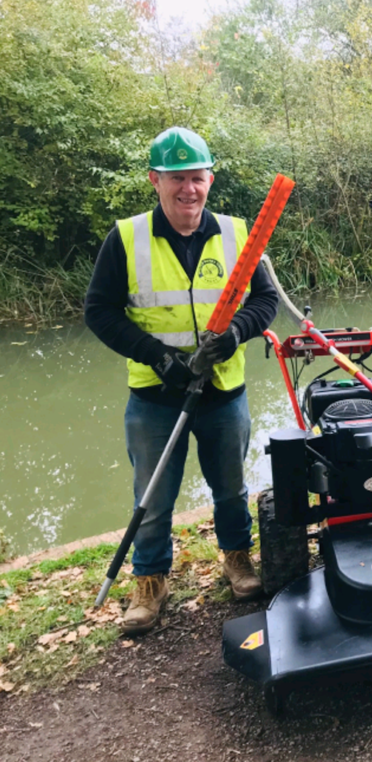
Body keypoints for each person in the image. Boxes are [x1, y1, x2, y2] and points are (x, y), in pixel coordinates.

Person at [84, 127, 278, 635]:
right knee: (152, 494)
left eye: (196, 177)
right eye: (176, 179)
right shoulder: (126, 239)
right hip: (155, 395)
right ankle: (151, 581)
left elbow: (265, 301)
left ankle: (238, 559)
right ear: (155, 180)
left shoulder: (239, 234)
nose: (187, 189)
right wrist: (156, 355)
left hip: (223, 392)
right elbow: (99, 312)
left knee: (231, 487)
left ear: (210, 179)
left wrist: (236, 332)